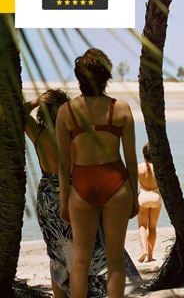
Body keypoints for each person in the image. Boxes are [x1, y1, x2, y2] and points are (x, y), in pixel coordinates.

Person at [56, 48, 139, 298]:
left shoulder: (66, 112)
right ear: (106, 76)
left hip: (82, 184)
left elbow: (63, 163)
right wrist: (134, 196)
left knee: (80, 261)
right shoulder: (121, 109)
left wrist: (63, 201)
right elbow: (132, 161)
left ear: (79, 79)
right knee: (115, 260)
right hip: (115, 182)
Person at [24, 89, 109, 297]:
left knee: (58, 256)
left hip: (48, 200)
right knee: (88, 255)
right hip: (79, 196)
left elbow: (17, 112)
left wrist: (36, 102)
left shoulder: (39, 133)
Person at [137, 143, 162, 263]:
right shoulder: (159, 168)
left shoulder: (139, 167)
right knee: (152, 227)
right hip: (156, 197)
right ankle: (150, 256)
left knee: (142, 226)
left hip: (143, 197)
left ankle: (144, 250)